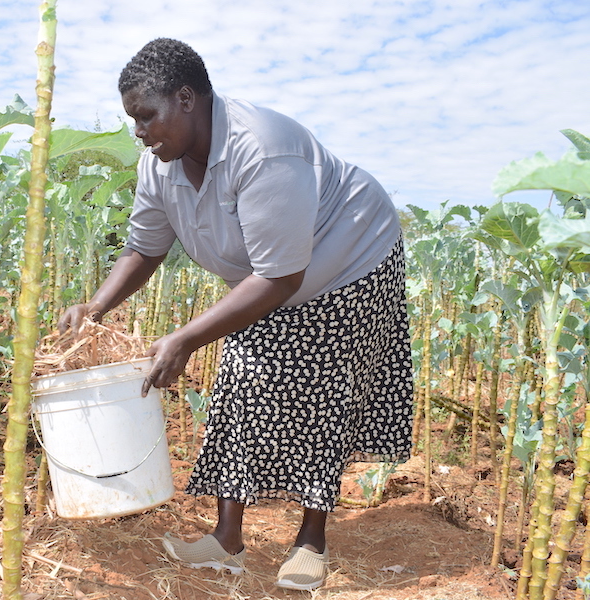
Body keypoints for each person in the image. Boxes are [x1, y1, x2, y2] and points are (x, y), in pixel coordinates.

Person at [57, 38, 413, 591]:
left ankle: (311, 541)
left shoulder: (262, 148)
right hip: (270, 277)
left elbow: (282, 276)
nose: (139, 132)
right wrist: (95, 306)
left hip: (349, 257)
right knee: (241, 381)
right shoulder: (161, 165)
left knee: (324, 389)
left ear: (186, 98)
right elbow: (144, 248)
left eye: (147, 116)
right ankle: (227, 538)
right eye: (134, 120)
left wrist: (185, 338)